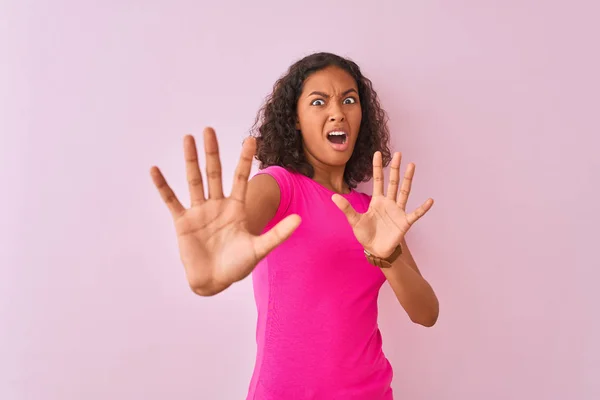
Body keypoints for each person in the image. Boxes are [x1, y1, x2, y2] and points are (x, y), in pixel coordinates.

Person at [150, 52, 439, 400]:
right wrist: (216, 252)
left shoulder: (372, 211)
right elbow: (241, 218)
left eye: (350, 100)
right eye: (319, 101)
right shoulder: (279, 186)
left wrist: (388, 256)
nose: (338, 112)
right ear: (296, 119)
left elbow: (426, 313)